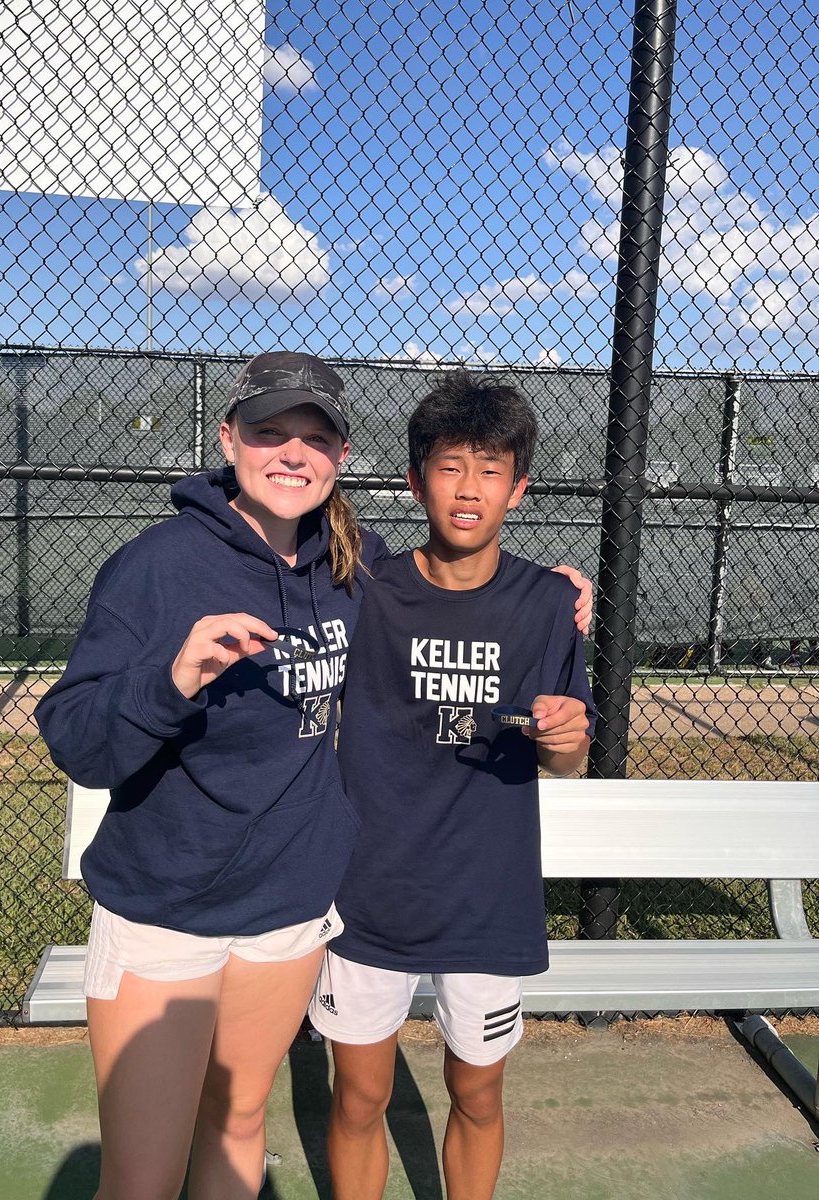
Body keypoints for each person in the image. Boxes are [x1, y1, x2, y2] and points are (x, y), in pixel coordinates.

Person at [35, 352, 592, 1200]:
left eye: (315, 438)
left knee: (238, 1125)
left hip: (289, 912)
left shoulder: (348, 567)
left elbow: (466, 596)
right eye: (269, 432)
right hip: (169, 906)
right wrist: (171, 682)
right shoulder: (162, 565)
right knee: (144, 1177)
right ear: (229, 439)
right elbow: (77, 739)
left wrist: (560, 595)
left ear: (340, 457)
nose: (292, 453)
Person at [309, 370, 596, 1200]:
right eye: (449, 467)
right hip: (369, 891)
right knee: (358, 1097)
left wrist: (567, 738)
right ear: (414, 481)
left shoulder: (549, 603)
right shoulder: (365, 587)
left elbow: (567, 758)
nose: (469, 489)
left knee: (477, 1093)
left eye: (491, 469)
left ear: (520, 488)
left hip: (486, 896)